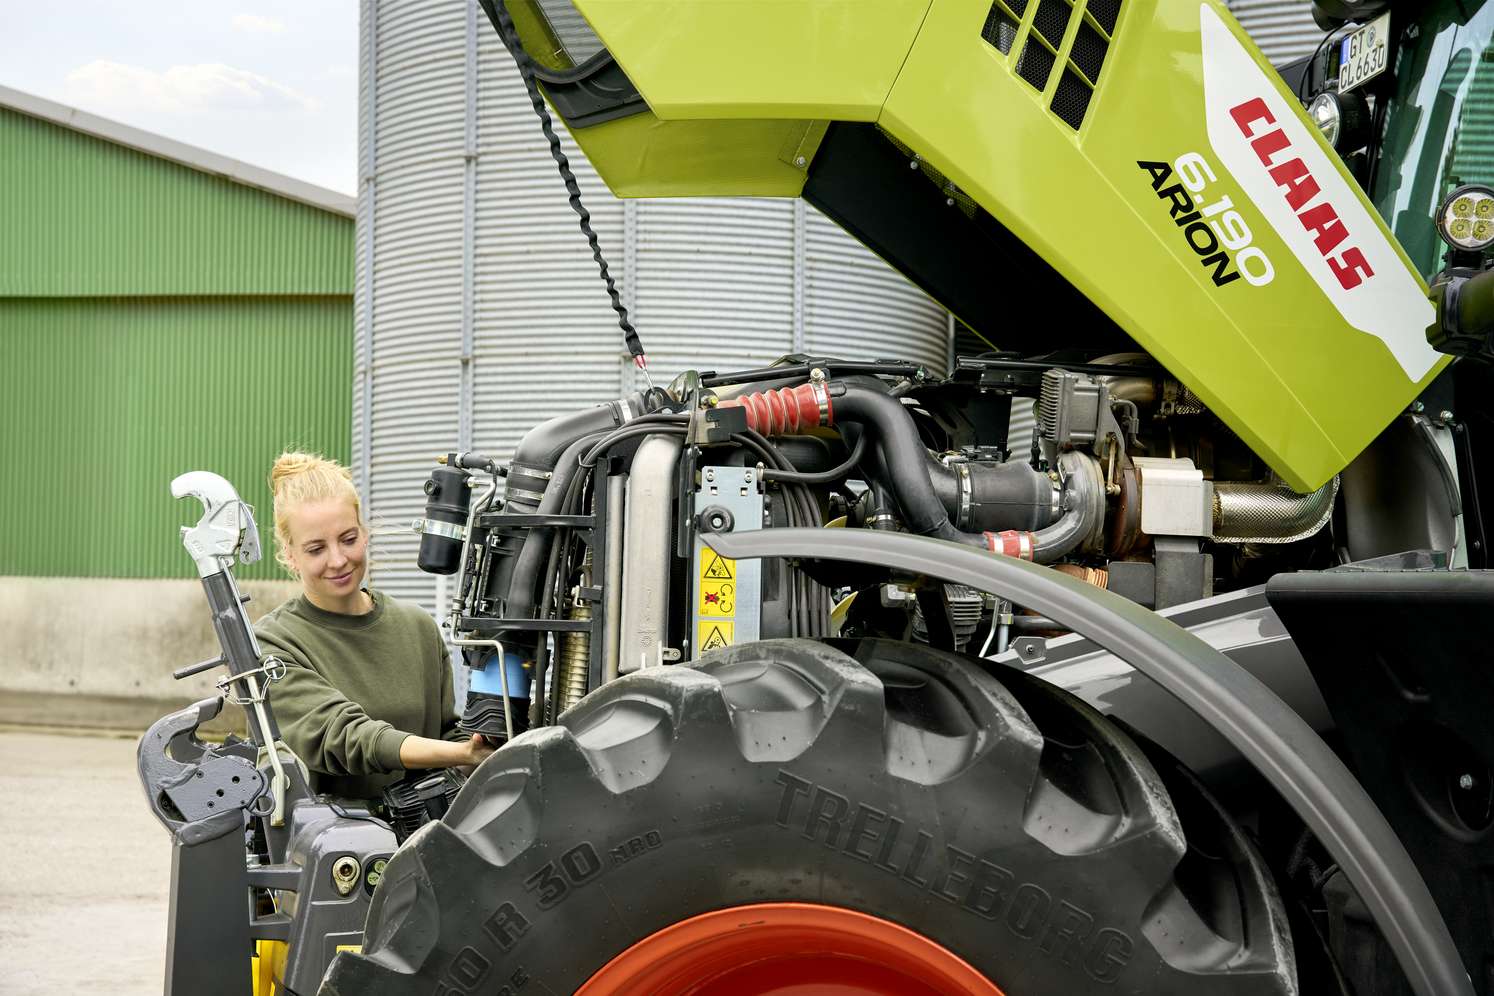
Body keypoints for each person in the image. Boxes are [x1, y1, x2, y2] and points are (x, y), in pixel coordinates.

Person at [253, 451, 492, 800]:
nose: (338, 560)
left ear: (364, 533)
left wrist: (486, 745)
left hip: (430, 831)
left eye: (348, 539)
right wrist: (464, 753)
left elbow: (446, 733)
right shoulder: (273, 643)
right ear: (290, 555)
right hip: (336, 834)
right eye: (316, 549)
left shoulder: (417, 627)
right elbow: (344, 737)